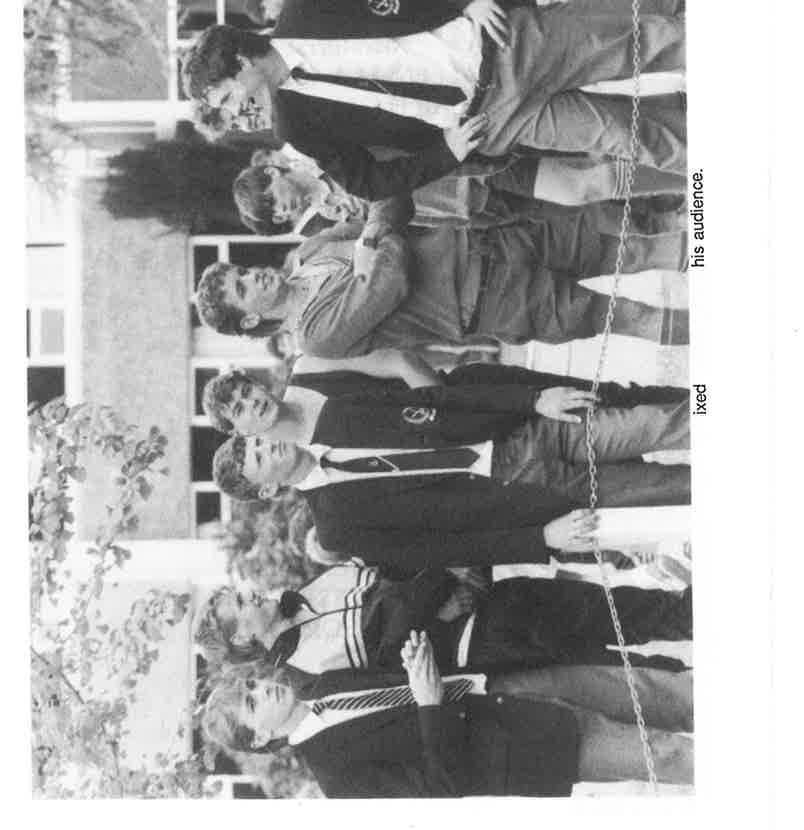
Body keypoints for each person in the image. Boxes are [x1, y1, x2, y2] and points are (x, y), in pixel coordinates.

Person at [181, 0, 686, 203]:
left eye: (227, 97)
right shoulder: (295, 126)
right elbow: (367, 183)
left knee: (644, 43)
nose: (238, 112)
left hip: (502, 45)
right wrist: (444, 154)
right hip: (489, 123)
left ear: (239, 61)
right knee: (624, 136)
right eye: (228, 113)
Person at [201, 633, 693, 795]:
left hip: (508, 685)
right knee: (664, 754)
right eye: (252, 702)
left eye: (251, 684)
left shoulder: (324, 684)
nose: (263, 688)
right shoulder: (335, 776)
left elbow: (406, 681)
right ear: (261, 739)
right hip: (527, 747)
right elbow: (439, 789)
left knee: (659, 692)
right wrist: (429, 704)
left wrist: (416, 660)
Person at [194, 194, 689, 351]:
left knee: (634, 251)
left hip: (489, 241)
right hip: (491, 303)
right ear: (251, 320)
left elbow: (385, 204)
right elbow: (391, 282)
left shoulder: (309, 250)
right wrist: (375, 245)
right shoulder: (316, 335)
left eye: (243, 269)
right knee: (628, 316)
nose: (253, 275)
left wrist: (371, 242)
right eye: (243, 287)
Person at [200, 359, 690, 496]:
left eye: (246, 390)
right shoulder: (320, 466)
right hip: (498, 465)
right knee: (647, 478)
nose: (252, 401)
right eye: (240, 409)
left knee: (621, 405)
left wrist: (443, 409)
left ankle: (705, 400)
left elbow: (398, 361)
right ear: (240, 431)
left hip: (481, 403)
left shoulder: (310, 370)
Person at [210, 433, 686, 568]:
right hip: (529, 502)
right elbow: (445, 549)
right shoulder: (337, 528)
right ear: (267, 490)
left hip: (525, 439)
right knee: (670, 490)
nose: (268, 446)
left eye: (258, 442)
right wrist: (540, 539)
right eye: (259, 458)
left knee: (666, 448)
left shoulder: (334, 420)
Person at [193, 565, 692, 675]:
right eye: (240, 602)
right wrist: (435, 588)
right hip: (491, 643)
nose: (249, 591)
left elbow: (392, 576)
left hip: (494, 598)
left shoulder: (309, 588)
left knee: (625, 609)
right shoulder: (305, 669)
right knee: (630, 673)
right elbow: (395, 644)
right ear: (243, 636)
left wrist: (446, 577)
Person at [232, 156, 686, 236]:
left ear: (273, 172)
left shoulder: (319, 150)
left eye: (273, 200)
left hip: (468, 169)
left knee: (583, 181)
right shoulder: (325, 218)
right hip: (464, 208)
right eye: (277, 217)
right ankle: (667, 214)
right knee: (576, 213)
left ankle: (682, 176)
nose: (284, 210)